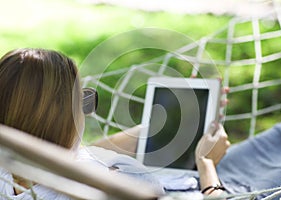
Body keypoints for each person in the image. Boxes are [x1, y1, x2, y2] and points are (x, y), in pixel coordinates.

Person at [0, 48, 230, 199]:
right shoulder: (92, 190)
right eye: (83, 100)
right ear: (60, 120)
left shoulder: (11, 166)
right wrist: (207, 165)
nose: (86, 111)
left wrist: (162, 127)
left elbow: (78, 154)